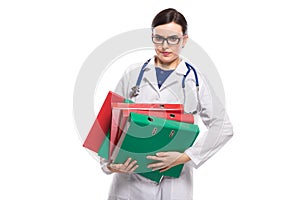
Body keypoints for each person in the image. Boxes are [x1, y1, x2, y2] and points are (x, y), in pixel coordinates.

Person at [100, 8, 234, 200]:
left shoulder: (195, 80)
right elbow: (110, 124)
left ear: (184, 40)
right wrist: (110, 164)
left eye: (173, 39)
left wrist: (185, 156)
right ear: (152, 37)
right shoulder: (133, 74)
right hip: (130, 182)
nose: (165, 45)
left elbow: (223, 127)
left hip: (175, 183)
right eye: (158, 38)